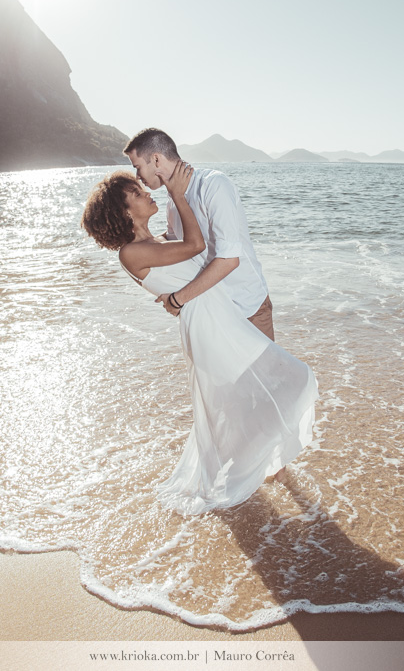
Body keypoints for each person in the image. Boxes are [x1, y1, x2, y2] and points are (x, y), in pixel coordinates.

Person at [81, 163, 318, 515]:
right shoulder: (131, 253)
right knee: (286, 383)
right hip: (209, 327)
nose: (146, 193)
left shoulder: (156, 242)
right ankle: (247, 470)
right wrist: (177, 193)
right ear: (124, 211)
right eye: (136, 193)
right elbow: (196, 244)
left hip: (220, 318)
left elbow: (192, 255)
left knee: (250, 396)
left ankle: (265, 467)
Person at [123, 128, 274, 340]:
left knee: (266, 374)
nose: (138, 177)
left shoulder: (213, 185)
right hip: (215, 311)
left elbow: (229, 260)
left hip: (247, 307)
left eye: (137, 167)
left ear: (156, 159)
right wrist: (136, 246)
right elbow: (175, 239)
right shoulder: (173, 199)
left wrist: (177, 300)